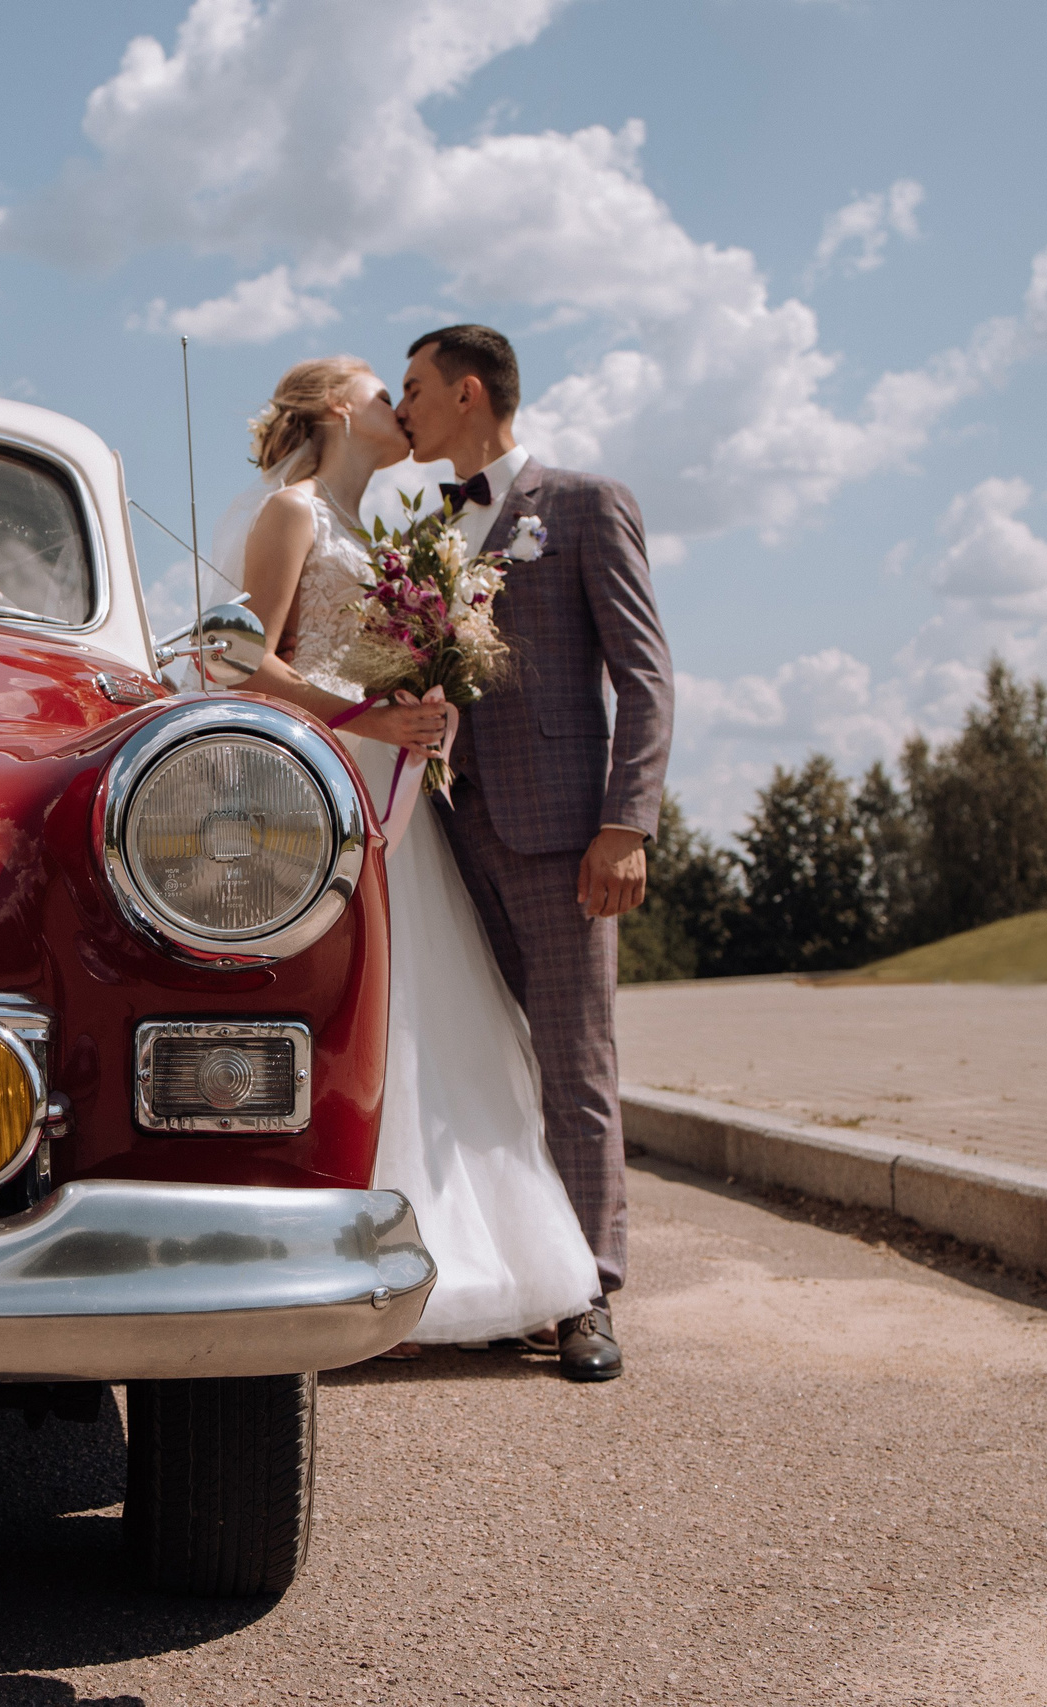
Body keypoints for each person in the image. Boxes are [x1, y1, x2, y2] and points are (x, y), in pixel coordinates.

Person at [222, 356, 604, 1366]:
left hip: (402, 799)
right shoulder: (293, 513)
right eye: (380, 390)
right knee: (359, 1015)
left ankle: (477, 1265)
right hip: (332, 789)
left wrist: (425, 708)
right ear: (341, 410)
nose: (400, 406)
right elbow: (236, 659)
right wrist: (366, 713)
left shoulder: (378, 531)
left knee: (438, 1020)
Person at [395, 325, 674, 1382]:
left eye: (415, 388)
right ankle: (512, 1269)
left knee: (575, 1065)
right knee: (479, 1062)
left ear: (469, 394)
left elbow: (645, 678)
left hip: (561, 833)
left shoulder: (587, 504)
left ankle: (588, 1292)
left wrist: (625, 823)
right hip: (444, 831)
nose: (404, 406)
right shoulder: (428, 528)